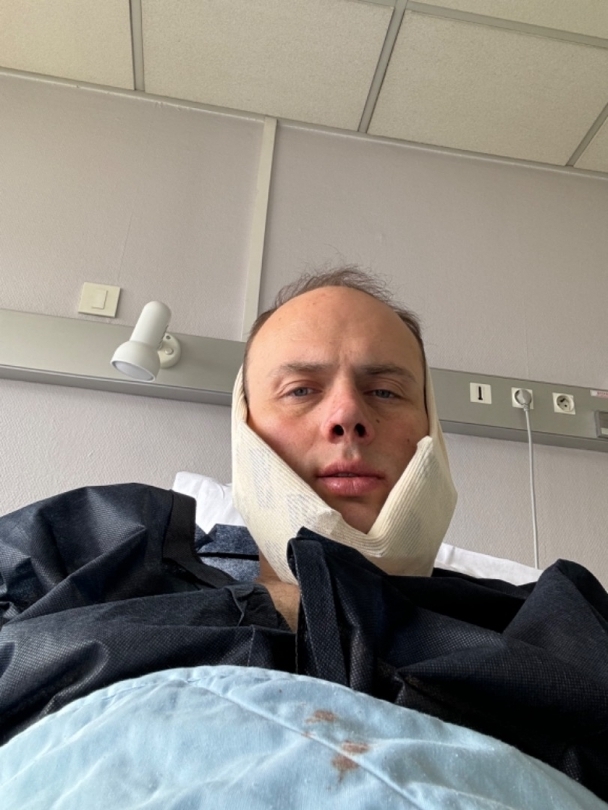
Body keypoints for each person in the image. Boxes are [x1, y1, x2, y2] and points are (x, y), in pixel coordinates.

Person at [230, 266, 457, 629]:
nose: (348, 415)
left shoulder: (542, 629)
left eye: (385, 391)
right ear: (243, 428)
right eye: (300, 390)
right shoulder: (142, 610)